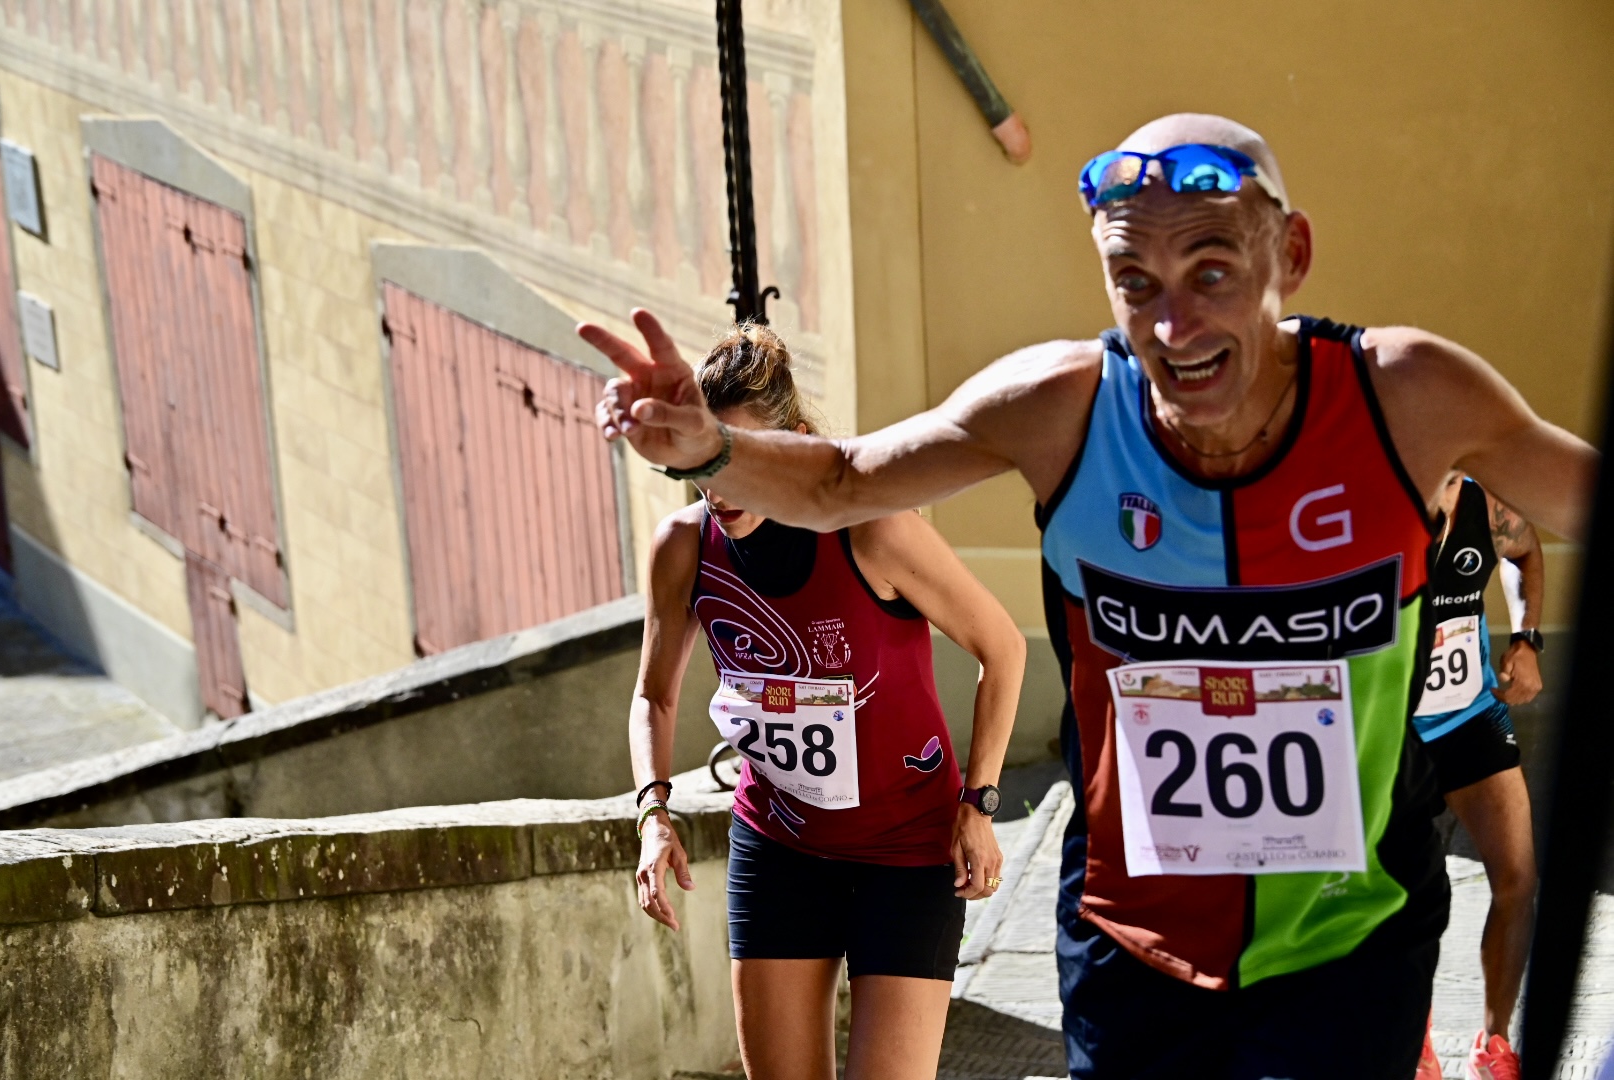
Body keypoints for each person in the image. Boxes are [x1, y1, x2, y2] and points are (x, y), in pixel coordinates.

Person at [585, 114, 1597, 1078]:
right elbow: (845, 479)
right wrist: (711, 448)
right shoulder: (1061, 407)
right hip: (1134, 936)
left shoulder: (1407, 396)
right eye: (1134, 281)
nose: (1173, 325)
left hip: (1347, 928)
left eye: (1212, 272)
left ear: (1291, 254)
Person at [625, 323, 1026, 1080]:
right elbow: (653, 694)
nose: (717, 489)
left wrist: (979, 803)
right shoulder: (683, 548)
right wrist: (653, 814)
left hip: (907, 853)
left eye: (736, 460)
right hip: (779, 850)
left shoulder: (873, 531)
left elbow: (1003, 649)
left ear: (796, 446)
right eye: (703, 462)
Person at [1413, 472, 1545, 1080]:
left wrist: (1527, 640)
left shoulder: (1484, 505)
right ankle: (1412, 1034)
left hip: (1469, 715)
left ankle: (1493, 1044)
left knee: (1518, 877)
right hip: (1391, 732)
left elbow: (1527, 548)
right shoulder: (1365, 501)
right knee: (1406, 897)